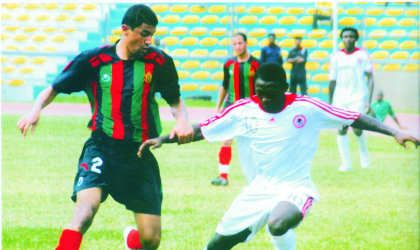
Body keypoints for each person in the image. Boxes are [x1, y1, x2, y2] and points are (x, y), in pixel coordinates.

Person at [139, 63, 419, 250]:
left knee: (277, 223)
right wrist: (164, 138)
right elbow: (204, 129)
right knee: (216, 246)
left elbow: (355, 117)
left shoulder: (307, 107)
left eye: (271, 94)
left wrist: (394, 132)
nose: (265, 99)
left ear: (285, 87)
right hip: (258, 189)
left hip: (296, 187)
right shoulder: (244, 109)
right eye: (260, 93)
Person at [17, 5, 194, 250]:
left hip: (139, 152)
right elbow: (55, 87)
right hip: (102, 147)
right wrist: (36, 109)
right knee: (84, 213)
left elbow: (175, 100)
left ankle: (131, 240)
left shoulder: (160, 61)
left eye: (152, 34)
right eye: (144, 33)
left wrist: (182, 120)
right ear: (125, 30)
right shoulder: (94, 59)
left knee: (150, 240)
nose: (149, 40)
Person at [212, 32, 260, 186]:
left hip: (251, 109)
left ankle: (256, 177)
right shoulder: (228, 64)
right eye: (235, 44)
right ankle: (223, 176)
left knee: (253, 143)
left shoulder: (256, 64)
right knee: (226, 140)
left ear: (246, 44)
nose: (237, 47)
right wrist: (218, 106)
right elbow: (225, 85)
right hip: (231, 107)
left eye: (240, 43)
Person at [329, 27, 374, 172]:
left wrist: (370, 99)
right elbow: (332, 81)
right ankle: (346, 164)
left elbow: (370, 77)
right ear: (342, 39)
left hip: (357, 97)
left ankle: (364, 156)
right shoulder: (335, 57)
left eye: (351, 36)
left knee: (357, 128)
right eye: (345, 36)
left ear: (356, 39)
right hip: (340, 99)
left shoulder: (363, 54)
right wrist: (331, 103)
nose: (348, 39)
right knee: (341, 129)